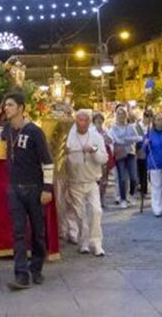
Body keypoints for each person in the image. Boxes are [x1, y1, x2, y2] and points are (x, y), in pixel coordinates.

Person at [0, 92, 53, 290]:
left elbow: (47, 162)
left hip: (34, 189)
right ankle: (21, 274)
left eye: (10, 105)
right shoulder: (8, 129)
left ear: (21, 108)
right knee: (18, 233)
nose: (6, 108)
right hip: (14, 189)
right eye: (5, 105)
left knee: (38, 233)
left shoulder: (34, 132)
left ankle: (37, 268)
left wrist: (47, 189)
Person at [65, 110, 108, 256]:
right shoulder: (69, 136)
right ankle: (83, 242)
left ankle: (96, 243)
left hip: (91, 180)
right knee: (80, 214)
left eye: (85, 121)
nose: (82, 124)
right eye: (79, 121)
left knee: (97, 210)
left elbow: (104, 158)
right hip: (75, 180)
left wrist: (93, 150)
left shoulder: (96, 136)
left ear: (89, 122)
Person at [108, 106, 142, 209]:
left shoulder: (130, 126)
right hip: (120, 155)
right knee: (122, 178)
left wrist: (126, 139)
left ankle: (131, 195)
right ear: (116, 116)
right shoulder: (113, 128)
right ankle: (123, 199)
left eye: (123, 114)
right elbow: (114, 140)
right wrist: (126, 140)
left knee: (134, 177)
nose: (121, 116)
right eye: (119, 114)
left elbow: (139, 137)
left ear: (126, 115)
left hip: (130, 153)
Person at [92, 112, 115, 207]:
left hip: (105, 157)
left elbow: (111, 141)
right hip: (95, 158)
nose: (99, 122)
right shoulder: (91, 132)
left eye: (100, 121)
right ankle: (96, 200)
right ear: (94, 122)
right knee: (96, 179)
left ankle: (102, 199)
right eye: (97, 121)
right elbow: (91, 145)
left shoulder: (106, 131)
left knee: (104, 179)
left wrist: (106, 140)